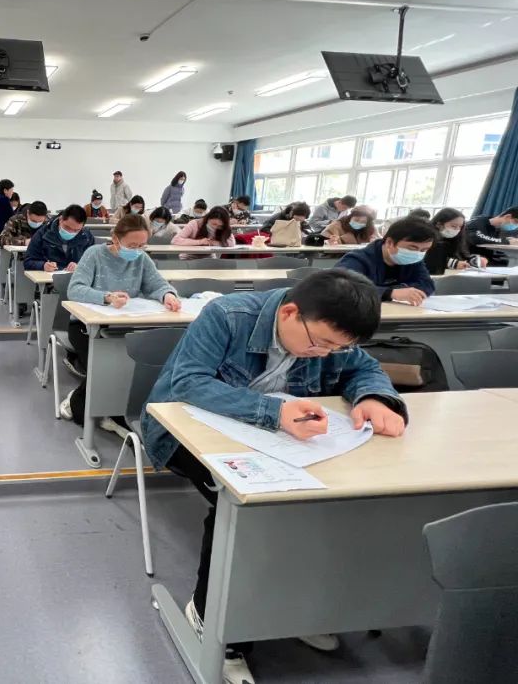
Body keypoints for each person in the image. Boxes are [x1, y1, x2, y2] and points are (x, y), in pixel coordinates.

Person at [141, 269, 407, 684]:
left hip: (278, 440)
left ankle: (293, 609)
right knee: (250, 509)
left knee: (332, 501)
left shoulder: (326, 332)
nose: (326, 354)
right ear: (289, 313)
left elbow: (364, 368)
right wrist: (273, 413)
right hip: (185, 431)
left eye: (338, 348)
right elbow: (188, 383)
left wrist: (374, 397)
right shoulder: (228, 315)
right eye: (321, 344)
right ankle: (213, 620)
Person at [61, 215, 179, 437]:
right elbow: (75, 289)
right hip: (86, 326)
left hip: (126, 325)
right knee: (106, 364)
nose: (137, 250)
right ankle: (80, 401)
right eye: (132, 245)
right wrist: (106, 297)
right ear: (116, 238)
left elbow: (157, 284)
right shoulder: (94, 254)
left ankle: (117, 410)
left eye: (142, 245)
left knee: (138, 363)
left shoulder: (142, 259)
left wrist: (167, 295)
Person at [335, 216, 436, 305]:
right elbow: (342, 287)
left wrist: (400, 290)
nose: (417, 253)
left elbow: (427, 284)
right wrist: (390, 293)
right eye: (412, 248)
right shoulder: (358, 259)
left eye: (424, 250)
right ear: (389, 242)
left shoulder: (414, 260)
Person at [22, 204, 95, 273]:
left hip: (76, 279)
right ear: (60, 219)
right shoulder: (43, 234)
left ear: (82, 227)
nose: (70, 232)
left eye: (76, 230)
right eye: (67, 227)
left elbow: (93, 263)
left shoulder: (87, 237)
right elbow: (28, 262)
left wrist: (80, 266)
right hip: (49, 279)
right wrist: (43, 265)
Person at [425, 208, 487, 275]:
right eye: (453, 226)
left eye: (460, 227)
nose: (457, 229)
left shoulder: (457, 239)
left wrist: (474, 260)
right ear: (439, 225)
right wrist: (452, 263)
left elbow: (462, 255)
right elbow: (429, 259)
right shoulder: (427, 238)